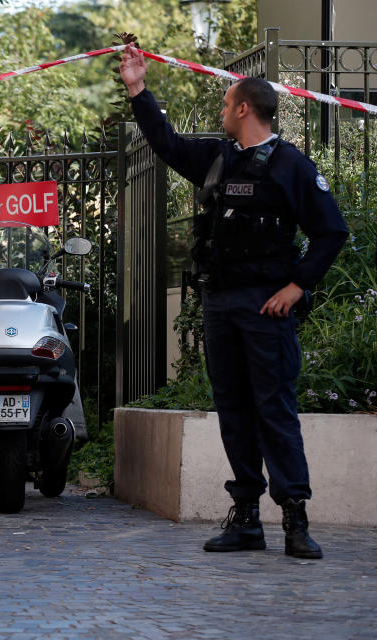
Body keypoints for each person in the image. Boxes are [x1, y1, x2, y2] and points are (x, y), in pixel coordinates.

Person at [119, 44, 348, 558]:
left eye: (226, 105)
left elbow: (332, 232)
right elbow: (165, 142)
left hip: (267, 307)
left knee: (275, 411)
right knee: (233, 411)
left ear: (244, 108)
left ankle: (294, 519)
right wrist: (137, 87)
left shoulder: (292, 166)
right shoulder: (218, 160)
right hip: (221, 304)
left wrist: (297, 286)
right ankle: (246, 518)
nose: (222, 113)